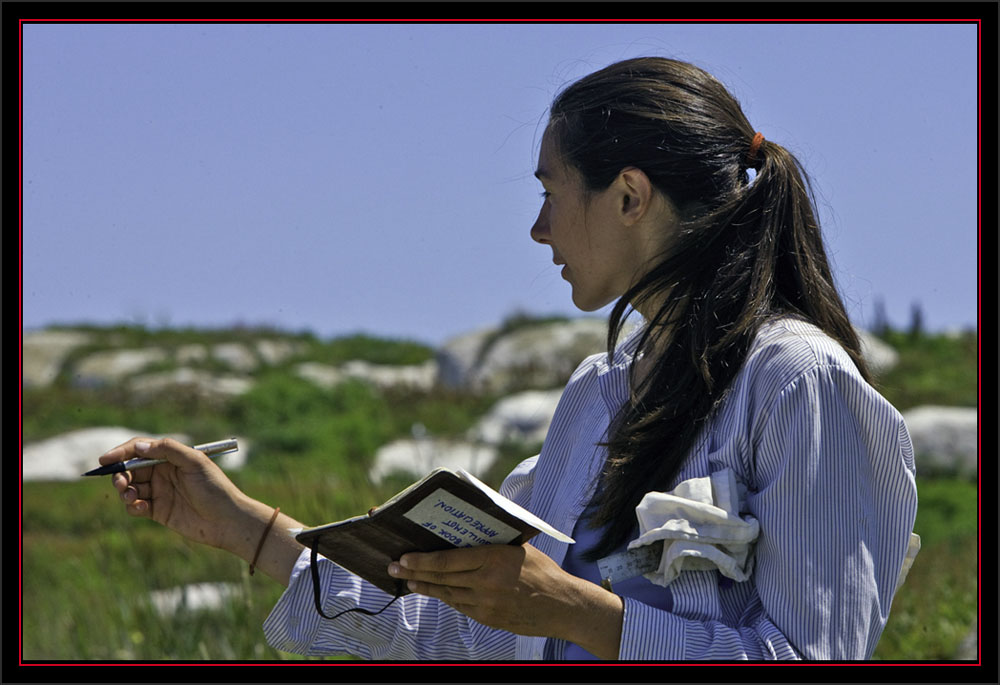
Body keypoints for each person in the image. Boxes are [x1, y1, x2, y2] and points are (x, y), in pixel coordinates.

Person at [98, 56, 919, 661]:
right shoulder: (596, 399)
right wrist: (241, 524)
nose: (537, 229)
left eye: (550, 191)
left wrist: (576, 611)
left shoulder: (797, 385)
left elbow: (815, 659)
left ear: (630, 197)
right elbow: (449, 620)